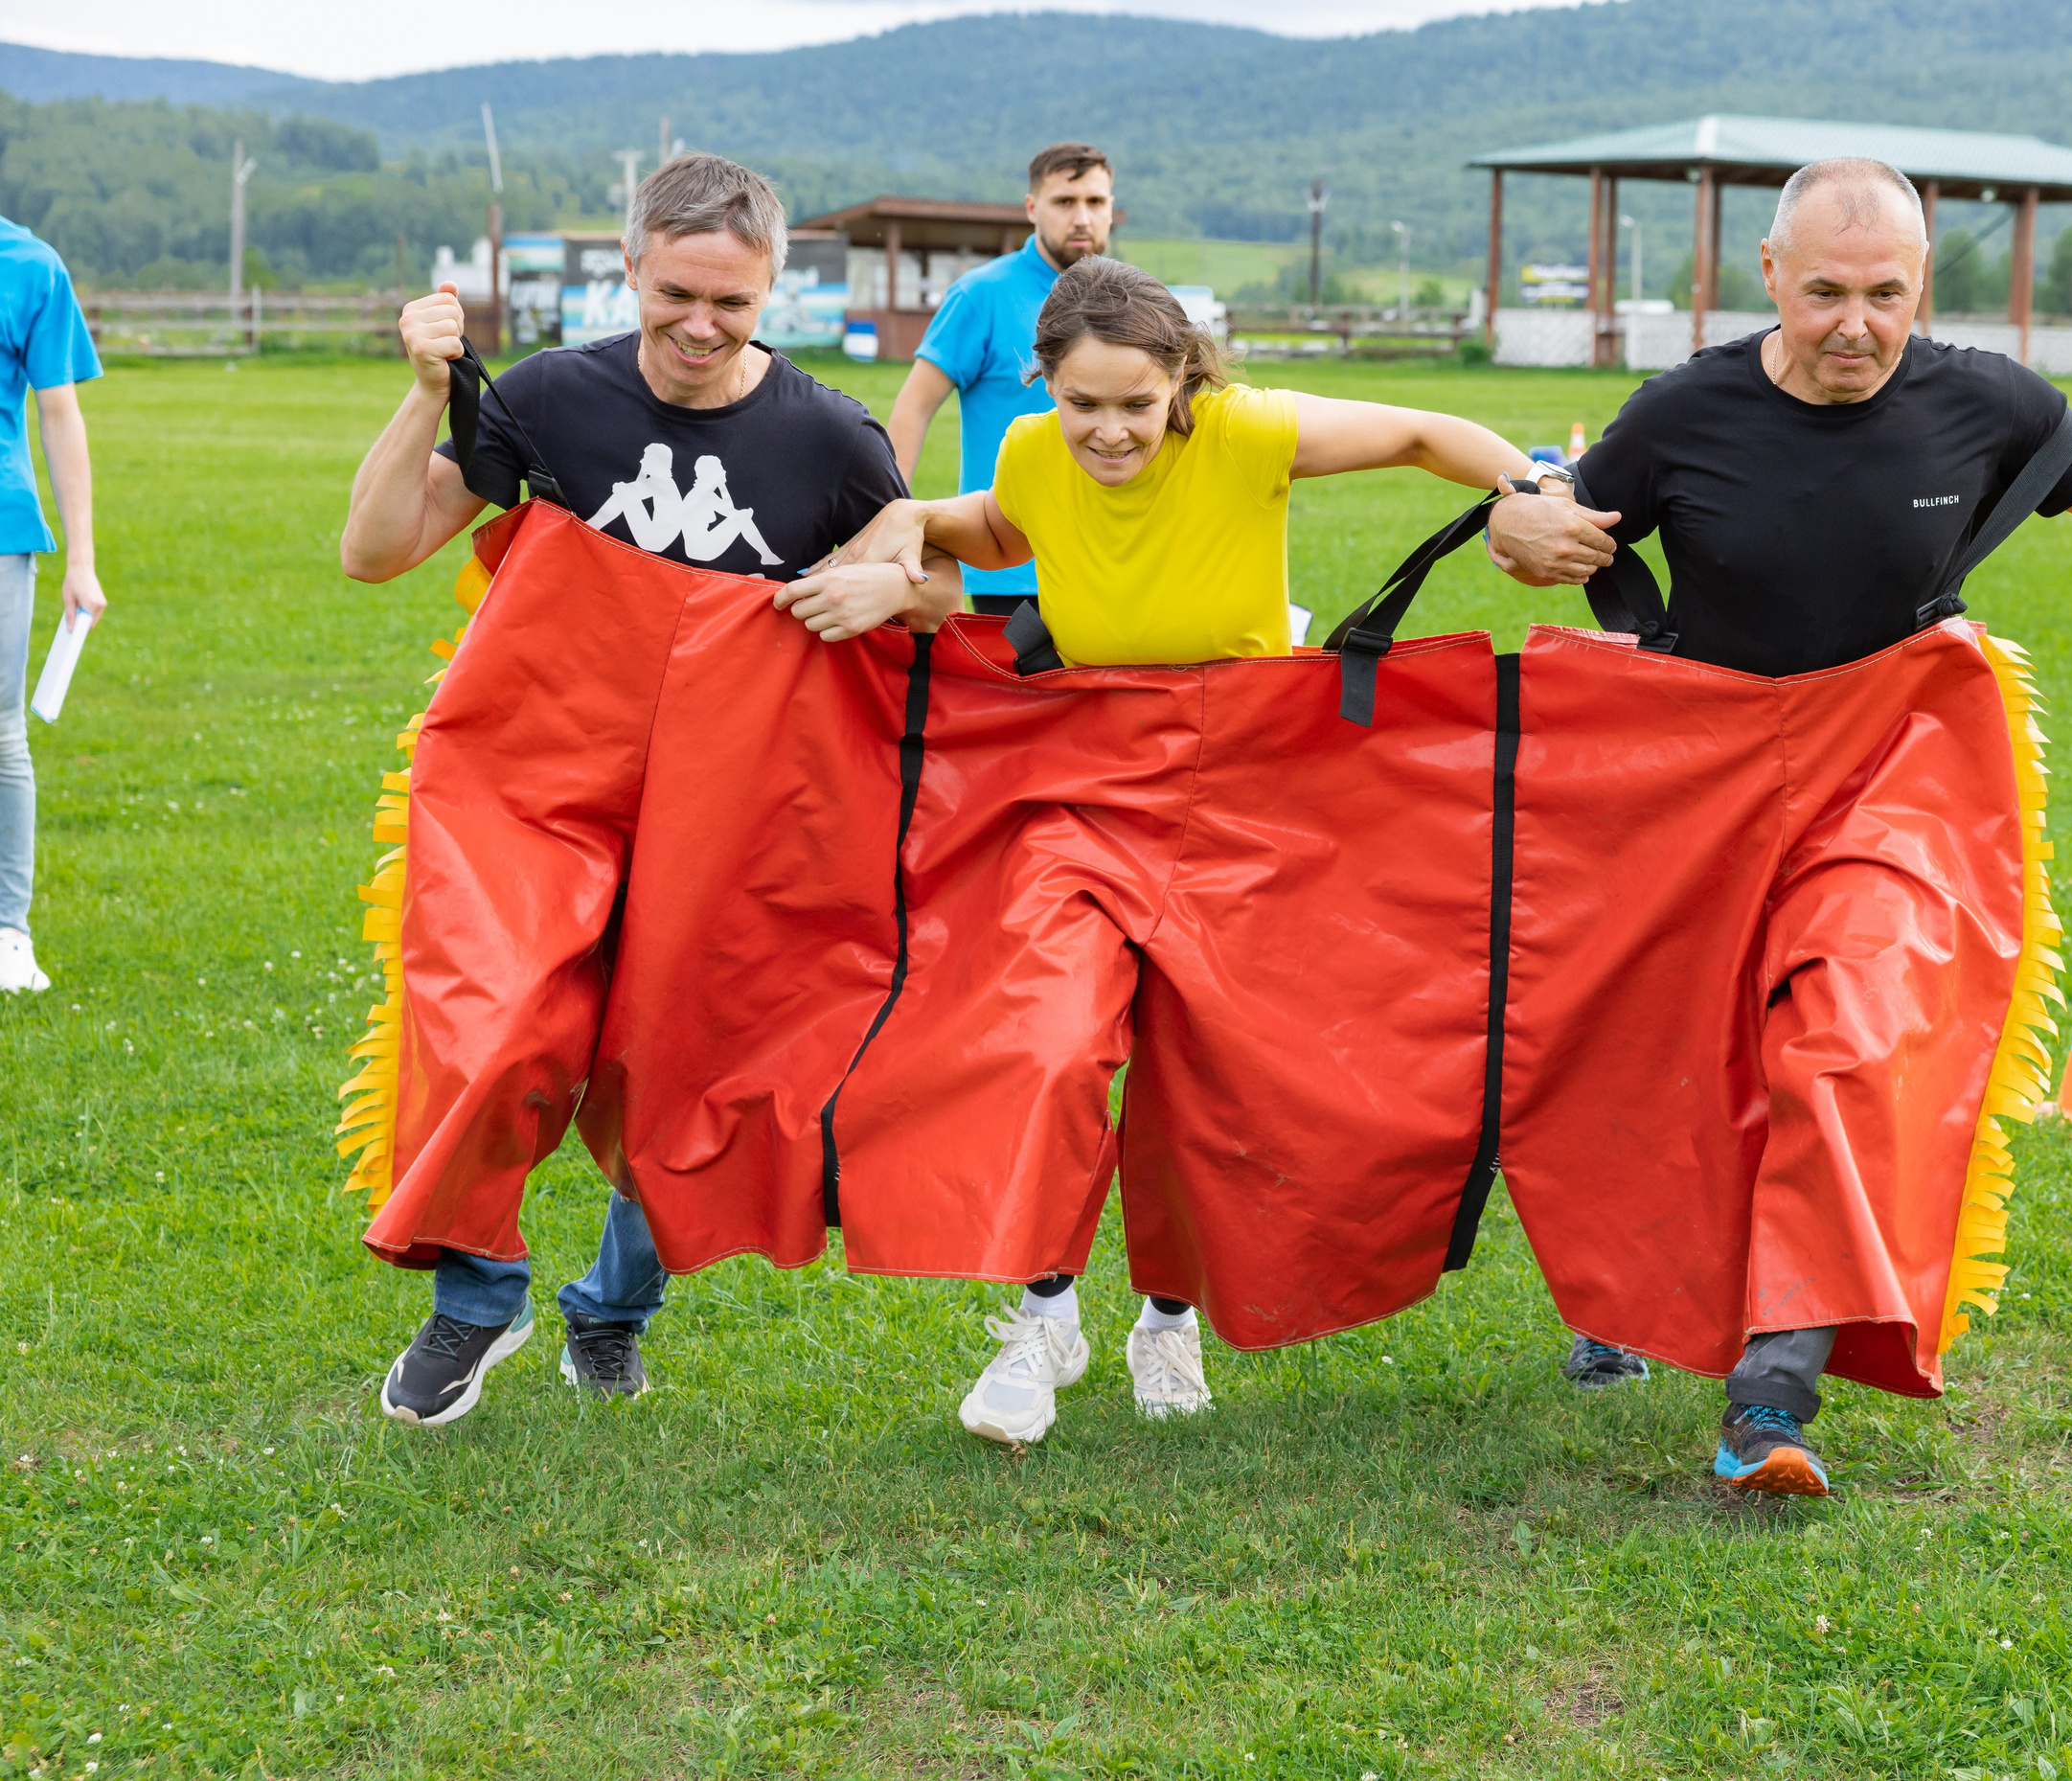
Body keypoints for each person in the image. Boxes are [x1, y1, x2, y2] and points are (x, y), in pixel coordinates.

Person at [1483, 156, 2072, 1495]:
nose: (1856, 325)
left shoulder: (1980, 402)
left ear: (1924, 283)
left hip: (1893, 768)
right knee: (1681, 1050)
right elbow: (1554, 521)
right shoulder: (1683, 411)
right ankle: (1626, 1292)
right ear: (1766, 281)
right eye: (1824, 295)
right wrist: (1532, 533)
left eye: (1887, 295)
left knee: (1848, 1036)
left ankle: (1771, 1392)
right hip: (1703, 773)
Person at [786, 256, 1560, 1446]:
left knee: (1209, 1066)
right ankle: (1046, 1309)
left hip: (1251, 779)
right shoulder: (1036, 450)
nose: (1107, 431)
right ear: (1042, 382)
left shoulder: (1249, 432)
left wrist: (1532, 483)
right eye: (1081, 402)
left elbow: (1422, 432)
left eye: (1135, 406)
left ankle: (1166, 1316)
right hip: (1084, 775)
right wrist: (904, 526)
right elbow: (1000, 524)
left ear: (1183, 385)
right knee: (1042, 1034)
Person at [339, 150, 957, 1427]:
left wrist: (896, 583)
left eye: (732, 302)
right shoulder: (556, 398)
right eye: (675, 291)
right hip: (528, 777)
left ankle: (612, 1309)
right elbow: (375, 550)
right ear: (630, 267)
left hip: (726, 807)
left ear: (772, 290)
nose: (700, 324)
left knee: (685, 1071)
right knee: (491, 1014)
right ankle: (476, 1289)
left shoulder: (832, 442)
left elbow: (932, 585)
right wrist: (423, 395)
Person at [883, 142, 1114, 616]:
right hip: (1012, 566)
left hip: (1114, 555)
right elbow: (914, 406)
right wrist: (890, 519)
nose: (1082, 218)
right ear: (1032, 208)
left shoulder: (1127, 302)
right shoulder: (980, 295)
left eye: (1095, 202)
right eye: (1064, 202)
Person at [0, 215, 105, 996]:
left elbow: (59, 412)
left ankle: (9, 934)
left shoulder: (31, 266)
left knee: (2, 735)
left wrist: (83, 560)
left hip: (3, 530)